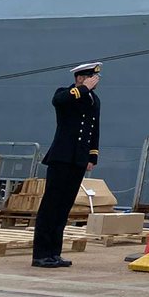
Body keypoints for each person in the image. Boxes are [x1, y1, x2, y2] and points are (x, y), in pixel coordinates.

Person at [33, 61, 102, 268]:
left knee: (64, 207)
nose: (95, 81)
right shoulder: (66, 93)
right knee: (51, 206)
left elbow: (94, 129)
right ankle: (41, 254)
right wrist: (83, 88)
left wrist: (92, 156)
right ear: (80, 78)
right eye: (91, 77)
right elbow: (59, 101)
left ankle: (54, 253)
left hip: (78, 160)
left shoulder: (94, 100)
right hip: (61, 157)